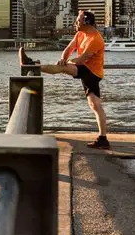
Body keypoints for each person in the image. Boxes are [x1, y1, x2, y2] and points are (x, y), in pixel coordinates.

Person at [19, 9, 110, 149]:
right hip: (85, 69)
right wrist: (63, 58)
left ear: (86, 22)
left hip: (92, 73)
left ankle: (32, 64)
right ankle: (103, 139)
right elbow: (69, 48)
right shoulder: (81, 33)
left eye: (78, 21)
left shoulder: (95, 39)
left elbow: (81, 59)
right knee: (95, 105)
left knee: (63, 69)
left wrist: (64, 64)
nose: (75, 23)